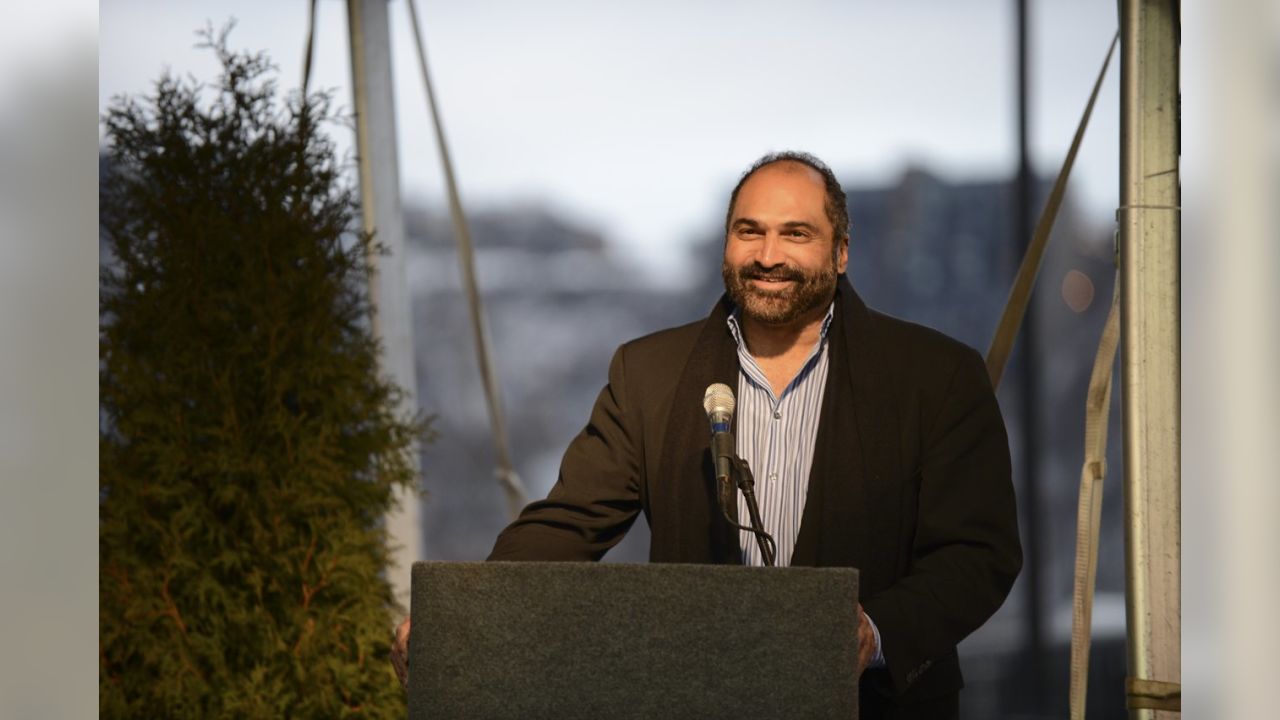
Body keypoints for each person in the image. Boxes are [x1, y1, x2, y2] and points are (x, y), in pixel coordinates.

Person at [392, 152, 1021, 719]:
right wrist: (465, 617)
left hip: (877, 706)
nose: (768, 254)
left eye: (795, 233)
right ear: (727, 244)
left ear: (841, 251)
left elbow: (979, 554)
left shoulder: (936, 375)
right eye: (750, 231)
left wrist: (873, 632)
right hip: (699, 700)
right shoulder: (648, 373)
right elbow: (568, 523)